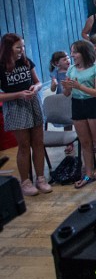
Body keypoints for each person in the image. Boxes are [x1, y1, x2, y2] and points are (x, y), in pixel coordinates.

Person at [0, 33, 51, 196]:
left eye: (23, 46)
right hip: (15, 106)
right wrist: (18, 94)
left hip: (32, 103)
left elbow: (38, 82)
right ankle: (25, 181)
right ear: (8, 48)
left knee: (38, 142)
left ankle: (41, 178)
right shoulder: (1, 65)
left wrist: (35, 88)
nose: (22, 50)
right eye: (18, 47)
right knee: (23, 145)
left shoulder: (26, 61)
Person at [63, 39, 96, 189]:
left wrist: (79, 86)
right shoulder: (71, 69)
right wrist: (66, 87)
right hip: (77, 105)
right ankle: (88, 174)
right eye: (72, 52)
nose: (72, 55)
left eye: (75, 52)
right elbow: (67, 93)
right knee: (84, 142)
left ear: (84, 53)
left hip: (93, 105)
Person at [48, 50, 75, 157]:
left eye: (68, 58)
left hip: (74, 98)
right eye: (64, 59)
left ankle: (84, 139)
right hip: (63, 100)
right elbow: (52, 89)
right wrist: (54, 84)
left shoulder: (73, 70)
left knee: (79, 121)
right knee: (67, 122)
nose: (68, 60)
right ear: (57, 63)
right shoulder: (55, 73)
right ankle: (69, 143)